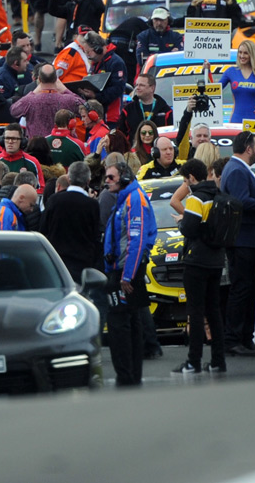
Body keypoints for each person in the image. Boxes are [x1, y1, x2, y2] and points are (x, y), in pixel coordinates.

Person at [102, 158, 156, 387]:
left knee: (120, 323)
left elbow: (137, 238)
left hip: (126, 271)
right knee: (130, 322)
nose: (107, 181)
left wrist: (127, 275)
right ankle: (130, 376)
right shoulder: (127, 197)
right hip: (123, 268)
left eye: (111, 177)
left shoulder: (134, 198)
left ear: (124, 176)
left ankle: (126, 376)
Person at [220, 131, 255, 356]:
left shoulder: (240, 170)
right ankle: (234, 340)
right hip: (242, 240)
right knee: (242, 289)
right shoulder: (237, 170)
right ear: (249, 148)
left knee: (249, 289)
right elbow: (241, 201)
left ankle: (245, 339)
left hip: (247, 239)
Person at [176, 158, 227, 374]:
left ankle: (193, 361)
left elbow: (189, 228)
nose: (186, 185)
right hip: (217, 260)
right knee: (214, 311)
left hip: (197, 260)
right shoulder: (219, 195)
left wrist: (181, 221)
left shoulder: (196, 198)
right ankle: (218, 360)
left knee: (195, 312)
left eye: (186, 180)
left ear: (192, 178)